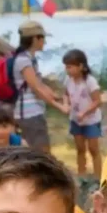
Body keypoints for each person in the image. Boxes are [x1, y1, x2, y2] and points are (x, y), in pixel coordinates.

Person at [12, 20, 68, 152]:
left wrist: (56, 97)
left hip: (33, 112)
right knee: (41, 153)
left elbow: (40, 85)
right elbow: (36, 88)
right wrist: (59, 107)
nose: (45, 42)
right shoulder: (23, 60)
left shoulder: (30, 59)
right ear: (35, 39)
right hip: (29, 114)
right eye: (42, 38)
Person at [62, 49, 102, 178]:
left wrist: (84, 113)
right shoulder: (68, 80)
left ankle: (98, 177)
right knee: (80, 149)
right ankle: (81, 175)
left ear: (80, 66)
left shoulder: (90, 81)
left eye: (70, 67)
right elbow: (65, 94)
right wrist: (66, 104)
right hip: (75, 119)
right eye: (66, 67)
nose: (67, 70)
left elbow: (97, 101)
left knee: (93, 149)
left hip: (91, 120)